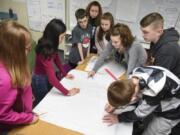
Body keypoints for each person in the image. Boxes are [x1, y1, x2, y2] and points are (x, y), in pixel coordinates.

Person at [103, 66, 180, 135]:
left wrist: (119, 118)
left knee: (153, 132)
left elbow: (139, 113)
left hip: (173, 110)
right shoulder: (134, 76)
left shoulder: (153, 90)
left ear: (132, 98)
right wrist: (115, 105)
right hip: (161, 97)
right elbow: (129, 93)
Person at [140, 12, 180, 135]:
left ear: (159, 31)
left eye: (145, 32)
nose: (142, 35)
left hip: (172, 106)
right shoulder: (156, 41)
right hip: (164, 97)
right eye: (142, 31)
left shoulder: (167, 50)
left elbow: (158, 85)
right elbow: (154, 68)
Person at [0, 20, 38, 131]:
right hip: (10, 126)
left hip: (22, 114)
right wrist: (27, 119)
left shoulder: (14, 63)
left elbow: (20, 87)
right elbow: (3, 114)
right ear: (14, 51)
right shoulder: (6, 79)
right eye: (27, 48)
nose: (30, 50)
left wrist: (27, 95)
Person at [32, 19, 80, 106]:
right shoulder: (45, 50)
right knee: (43, 102)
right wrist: (67, 92)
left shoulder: (52, 44)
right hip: (39, 79)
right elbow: (51, 78)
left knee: (51, 94)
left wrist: (65, 74)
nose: (62, 40)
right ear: (53, 36)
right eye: (61, 37)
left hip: (46, 75)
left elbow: (57, 58)